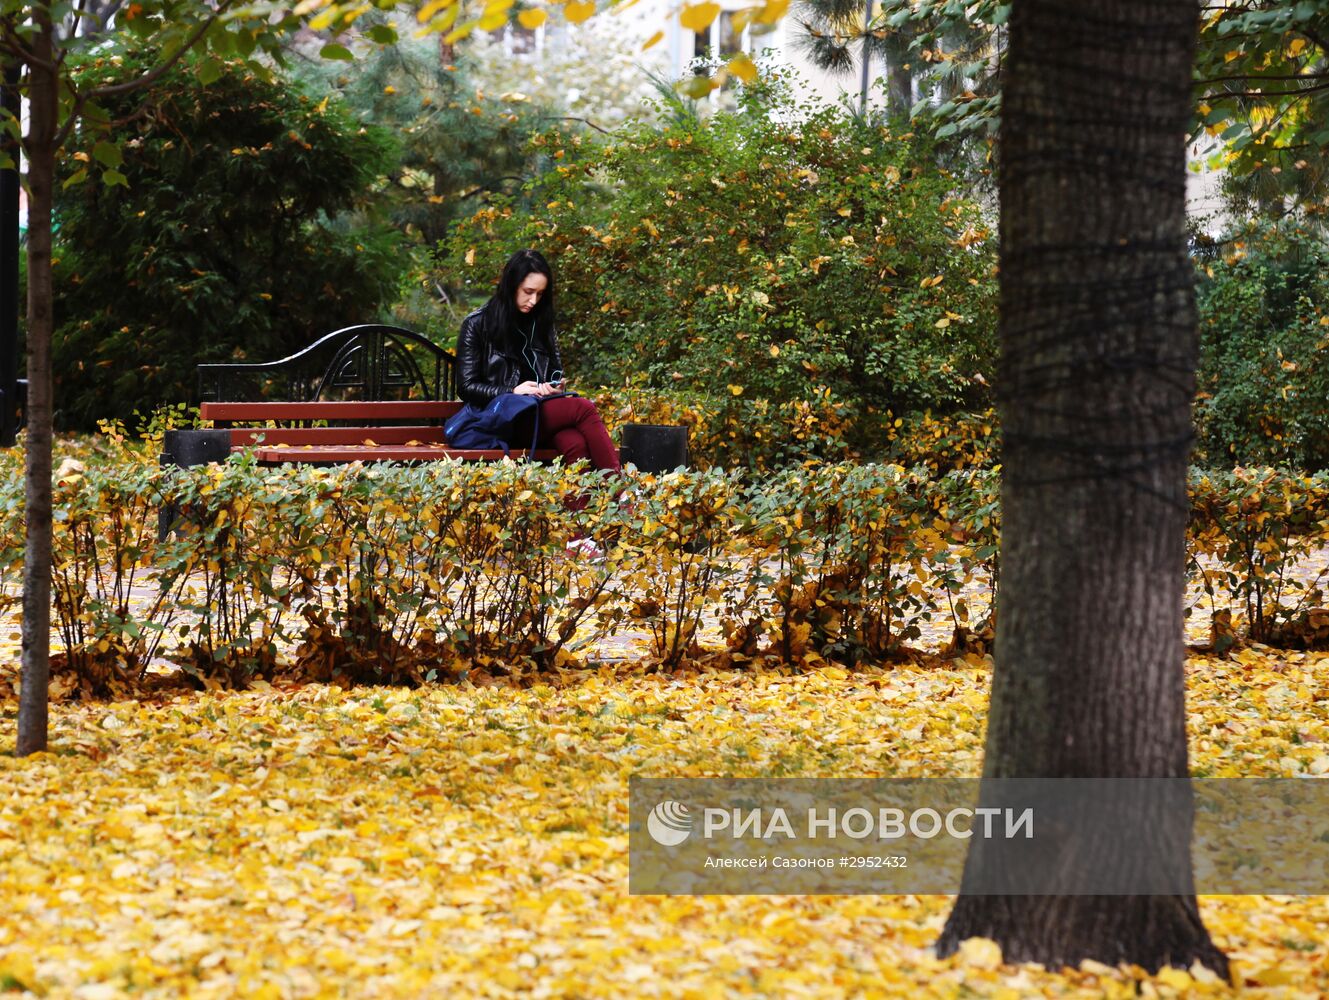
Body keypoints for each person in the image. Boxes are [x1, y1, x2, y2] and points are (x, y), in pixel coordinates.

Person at [456, 248, 622, 477]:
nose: (534, 300)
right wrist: (512, 391)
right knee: (583, 408)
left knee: (575, 444)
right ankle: (622, 492)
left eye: (540, 294)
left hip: (539, 414)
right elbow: (466, 387)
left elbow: (555, 370)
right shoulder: (477, 324)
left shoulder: (541, 323)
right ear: (511, 285)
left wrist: (554, 387)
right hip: (503, 420)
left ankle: (581, 511)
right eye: (528, 291)